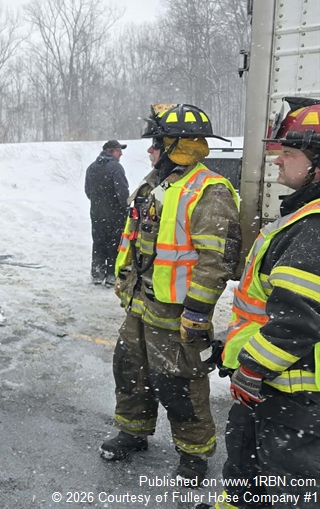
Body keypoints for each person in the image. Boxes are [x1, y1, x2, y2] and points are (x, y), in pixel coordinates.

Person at [100, 103, 241, 484]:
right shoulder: (155, 184)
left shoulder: (209, 191)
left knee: (178, 383)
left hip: (177, 310)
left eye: (156, 144)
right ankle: (133, 431)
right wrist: (125, 278)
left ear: (176, 147)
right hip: (140, 303)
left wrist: (197, 311)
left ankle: (193, 454)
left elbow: (217, 260)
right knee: (130, 369)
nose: (149, 151)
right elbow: (138, 239)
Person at [206, 100, 320, 509]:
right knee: (244, 474)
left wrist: (252, 367)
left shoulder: (313, 227)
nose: (278, 163)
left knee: (289, 490)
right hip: (273, 390)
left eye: (289, 154)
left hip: (295, 397)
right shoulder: (301, 217)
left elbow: (297, 321)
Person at [85, 140, 129, 286]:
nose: (121, 153)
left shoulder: (91, 167)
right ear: (111, 151)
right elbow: (122, 192)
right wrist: (125, 206)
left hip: (97, 213)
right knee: (114, 244)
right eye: (118, 150)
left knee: (98, 243)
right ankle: (111, 276)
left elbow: (88, 191)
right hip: (115, 213)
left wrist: (99, 203)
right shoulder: (116, 167)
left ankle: (97, 274)